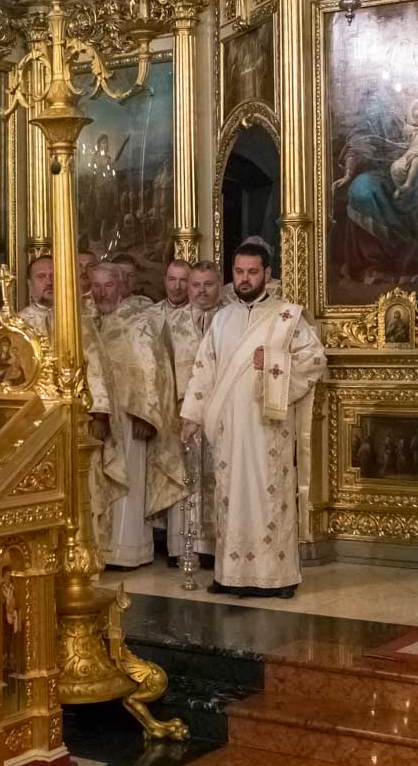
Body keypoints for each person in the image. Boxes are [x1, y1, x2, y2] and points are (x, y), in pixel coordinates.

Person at [179, 242, 326, 598]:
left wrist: (276, 361)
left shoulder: (288, 317)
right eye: (239, 272)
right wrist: (192, 416)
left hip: (268, 427)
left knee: (269, 496)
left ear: (267, 275)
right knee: (229, 496)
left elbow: (315, 361)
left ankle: (279, 578)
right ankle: (228, 575)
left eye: (252, 272)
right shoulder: (222, 318)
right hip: (229, 429)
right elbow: (204, 369)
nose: (245, 279)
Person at [17, 255, 123, 555]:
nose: (49, 281)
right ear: (29, 284)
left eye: (54, 274)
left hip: (77, 422)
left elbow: (97, 367)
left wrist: (100, 413)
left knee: (84, 489)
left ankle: (85, 555)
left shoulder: (78, 320)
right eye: (41, 276)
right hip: (35, 427)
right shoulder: (19, 324)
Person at [89, 263, 185, 569]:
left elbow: (154, 370)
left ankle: (127, 551)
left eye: (108, 286)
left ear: (121, 287)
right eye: (97, 286)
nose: (102, 293)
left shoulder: (138, 322)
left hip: (132, 416)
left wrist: (148, 415)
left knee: (128, 481)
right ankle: (103, 550)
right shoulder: (89, 321)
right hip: (99, 414)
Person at [160, 261, 221, 566]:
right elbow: (162, 371)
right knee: (185, 481)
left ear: (219, 285)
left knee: (216, 479)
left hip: (219, 415)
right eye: (195, 284)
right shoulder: (171, 323)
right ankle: (184, 548)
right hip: (181, 414)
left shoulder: (229, 319)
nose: (200, 291)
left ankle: (214, 547)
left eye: (208, 284)